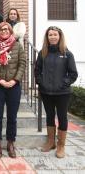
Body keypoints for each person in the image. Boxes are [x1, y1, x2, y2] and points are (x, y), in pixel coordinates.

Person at [35, 26, 78, 158]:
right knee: (49, 116)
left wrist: (63, 84)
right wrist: (41, 83)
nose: (52, 37)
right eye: (50, 35)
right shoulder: (42, 53)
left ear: (60, 37)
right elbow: (37, 71)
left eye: (55, 35)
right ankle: (50, 142)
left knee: (62, 118)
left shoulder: (67, 54)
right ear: (47, 37)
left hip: (62, 94)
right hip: (46, 93)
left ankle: (61, 146)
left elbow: (73, 74)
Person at [0, 22, 26, 158]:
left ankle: (10, 142)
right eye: (1, 30)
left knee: (12, 116)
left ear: (10, 31)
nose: (4, 31)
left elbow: (22, 64)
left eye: (6, 29)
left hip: (13, 86)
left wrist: (15, 80)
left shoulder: (17, 46)